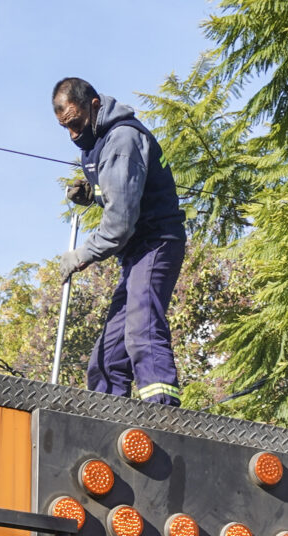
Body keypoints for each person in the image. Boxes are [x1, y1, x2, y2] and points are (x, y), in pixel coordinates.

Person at [51, 76, 189, 407]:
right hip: (136, 254)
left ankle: (163, 414)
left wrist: (81, 255)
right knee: (109, 352)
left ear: (94, 105)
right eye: (66, 128)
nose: (73, 134)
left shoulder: (122, 139)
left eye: (76, 123)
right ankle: (105, 414)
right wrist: (93, 192)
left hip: (156, 243)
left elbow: (121, 224)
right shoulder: (98, 141)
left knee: (142, 328)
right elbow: (121, 190)